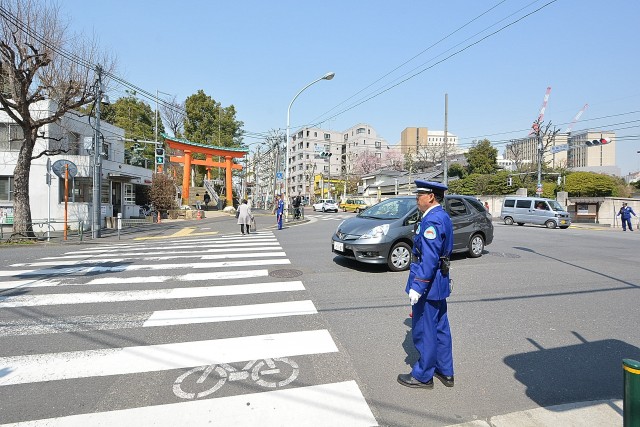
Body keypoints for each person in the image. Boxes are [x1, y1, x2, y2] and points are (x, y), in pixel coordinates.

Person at [398, 180, 454, 390]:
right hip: (439, 281)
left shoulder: (431, 220)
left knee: (425, 330)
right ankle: (445, 370)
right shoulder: (442, 216)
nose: (416, 199)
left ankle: (423, 375)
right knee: (440, 328)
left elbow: (429, 258)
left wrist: (418, 287)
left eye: (419, 195)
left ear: (430, 196)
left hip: (428, 283)